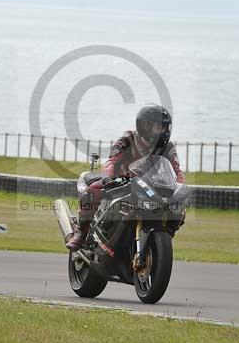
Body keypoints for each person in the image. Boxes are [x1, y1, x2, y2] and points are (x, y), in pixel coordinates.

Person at [66, 104, 185, 251]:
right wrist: (108, 178)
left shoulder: (168, 147)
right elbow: (111, 161)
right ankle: (81, 232)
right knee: (92, 190)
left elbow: (176, 171)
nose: (162, 131)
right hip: (121, 181)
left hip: (150, 186)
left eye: (164, 127)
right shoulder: (128, 139)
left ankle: (163, 236)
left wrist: (179, 186)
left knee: (178, 207)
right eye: (157, 127)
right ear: (145, 126)